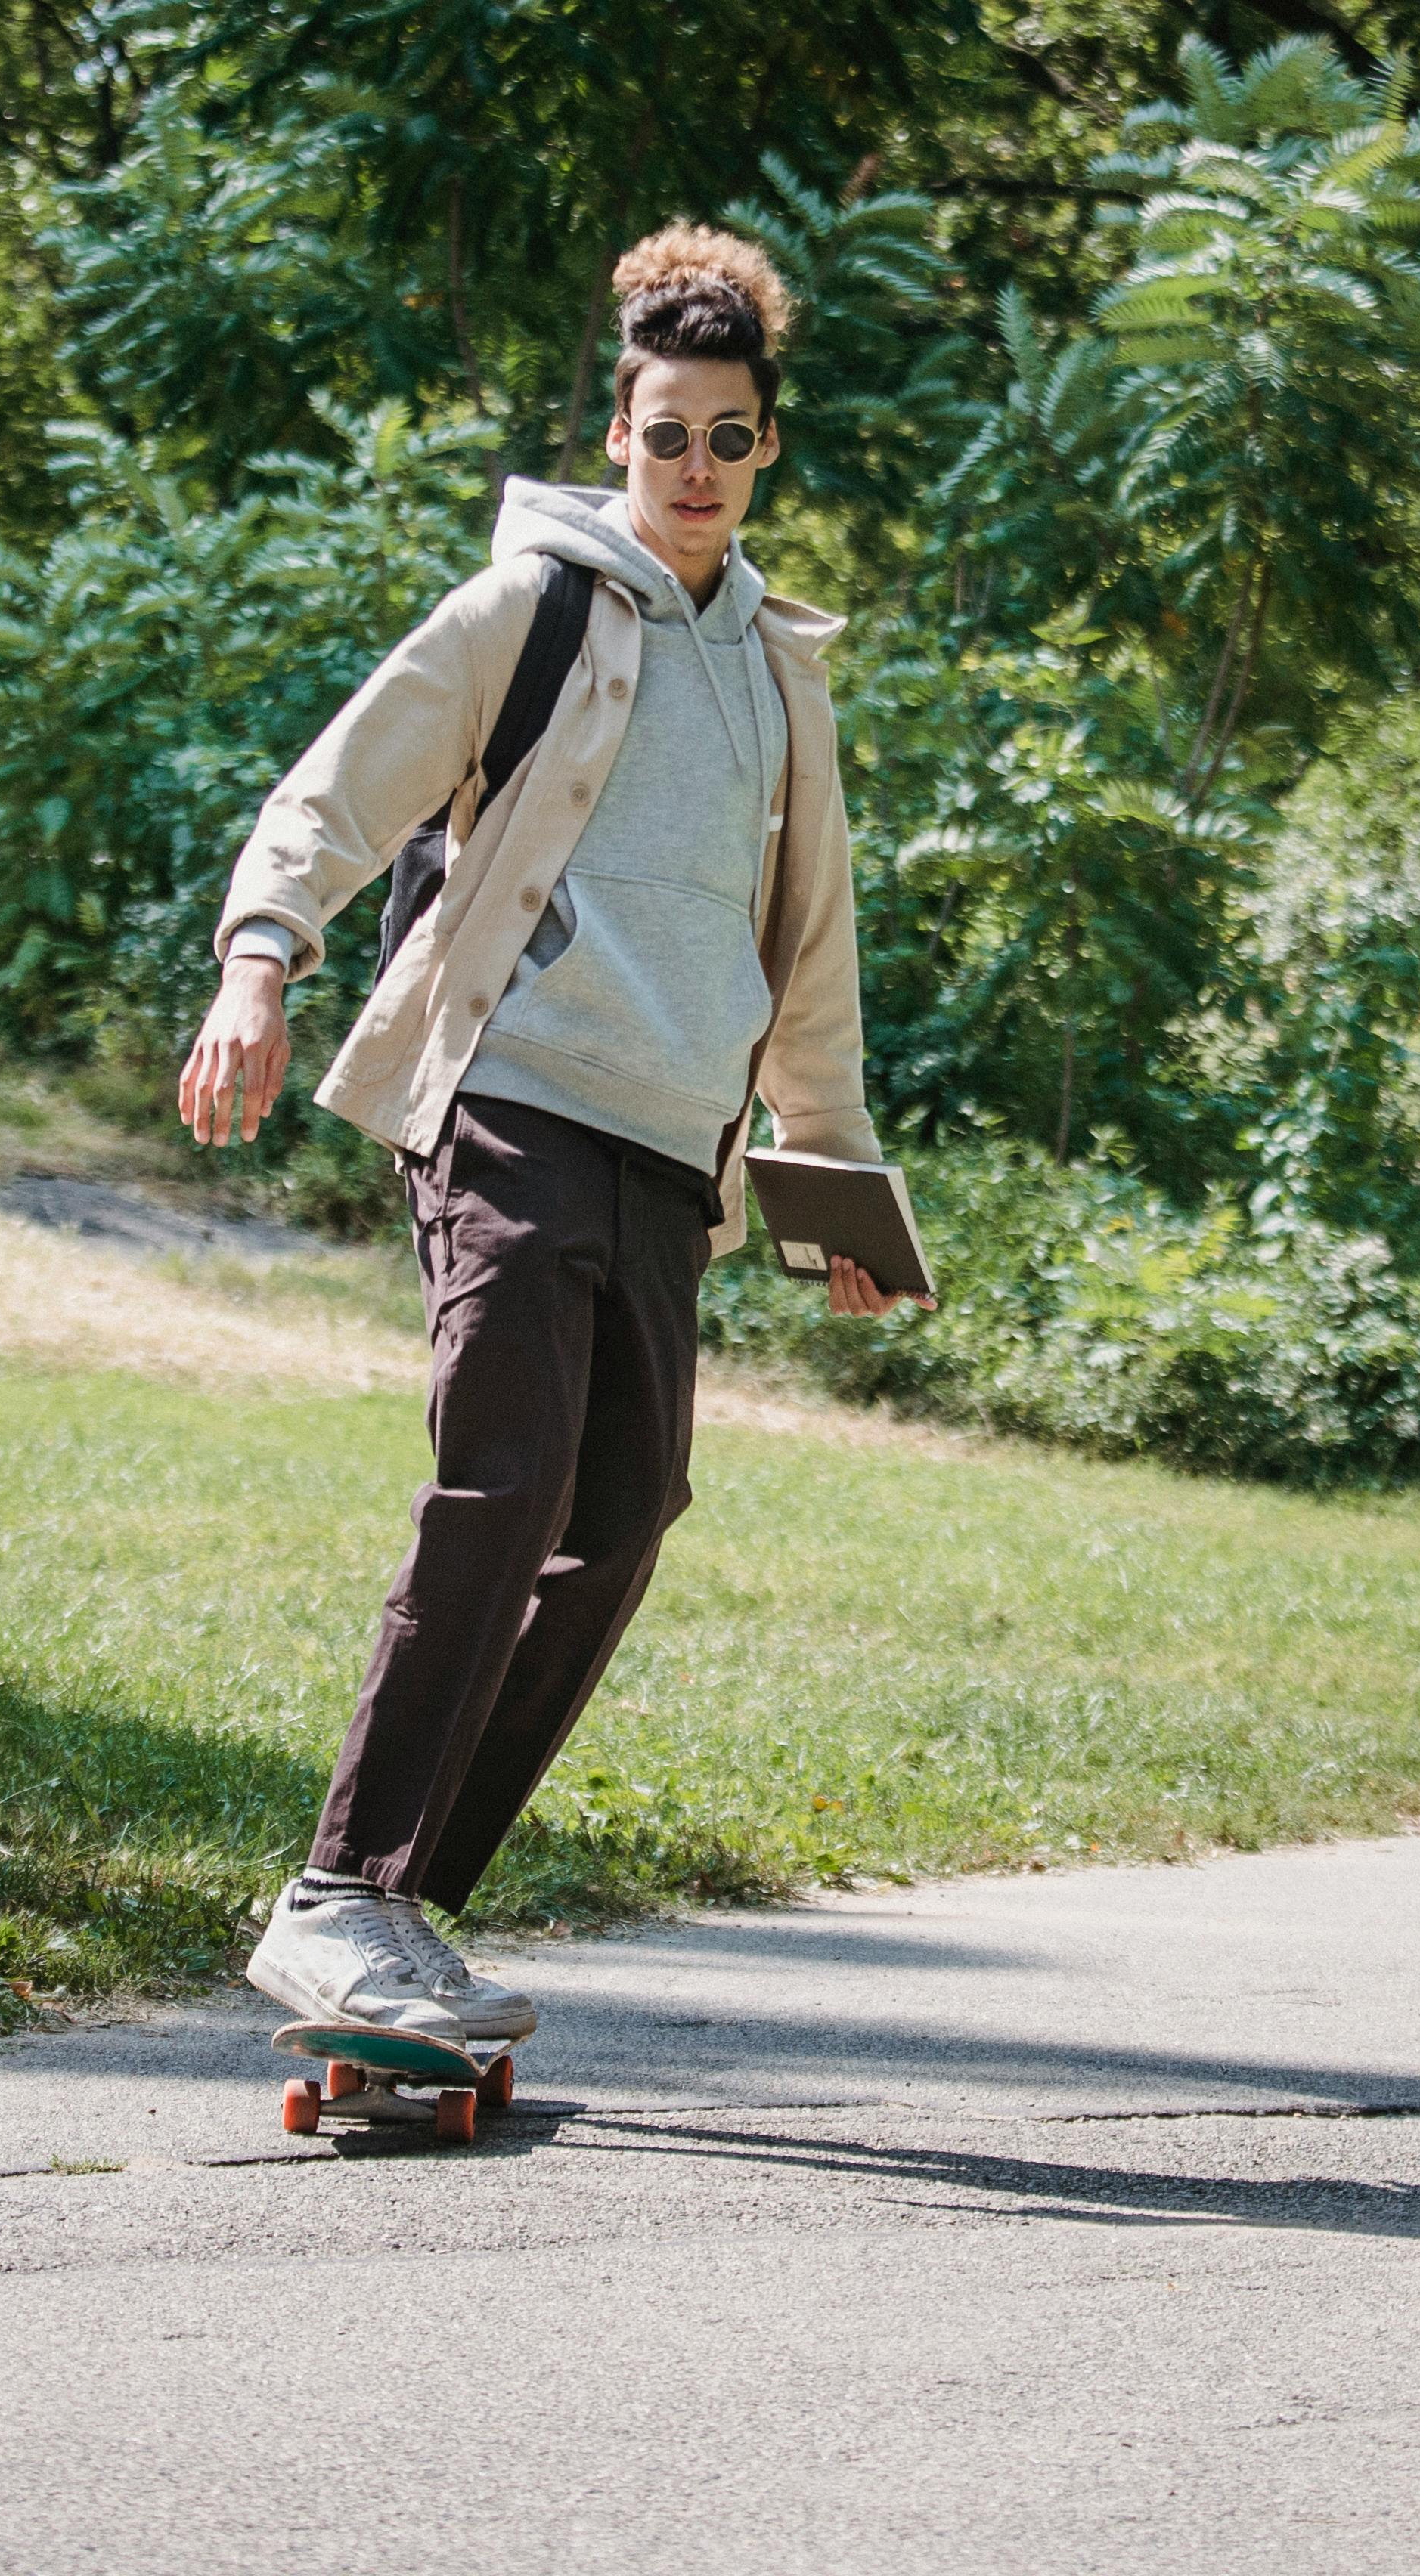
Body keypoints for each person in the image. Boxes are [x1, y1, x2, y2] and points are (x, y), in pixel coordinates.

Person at [175, 224, 920, 2043]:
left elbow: (806, 959)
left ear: (766, 452)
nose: (693, 469)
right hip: (509, 1099)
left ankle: (401, 1900)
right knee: (500, 1480)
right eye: (666, 433)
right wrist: (258, 961)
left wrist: (841, 1194)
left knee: (623, 1511)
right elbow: (342, 786)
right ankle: (338, 1888)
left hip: (676, 1148)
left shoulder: (781, 674)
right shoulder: (537, 606)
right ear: (618, 430)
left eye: (728, 438)